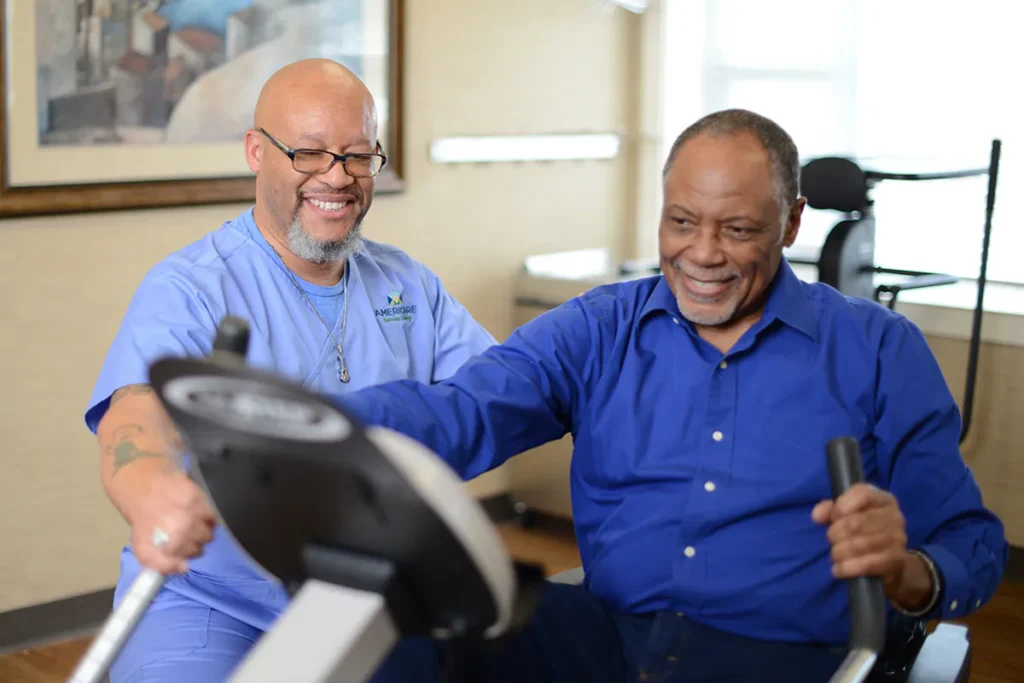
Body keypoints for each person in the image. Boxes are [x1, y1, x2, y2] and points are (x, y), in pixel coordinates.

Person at [332, 109, 1009, 682]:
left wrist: (906, 571)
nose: (703, 254)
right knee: (398, 624)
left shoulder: (879, 349)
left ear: (792, 222)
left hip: (783, 658)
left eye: (738, 229)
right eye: (682, 222)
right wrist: (299, 425)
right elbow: (461, 410)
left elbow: (971, 542)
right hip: (611, 640)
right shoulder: (601, 327)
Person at [85, 58, 497, 683]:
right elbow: (135, 413)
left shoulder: (407, 284)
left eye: (358, 155)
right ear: (256, 151)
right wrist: (148, 492)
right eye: (308, 153)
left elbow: (496, 389)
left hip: (364, 599)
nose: (337, 177)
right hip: (215, 601)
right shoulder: (193, 286)